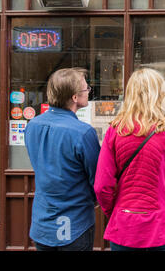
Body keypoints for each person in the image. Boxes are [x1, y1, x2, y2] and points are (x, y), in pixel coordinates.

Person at [94, 68, 165, 251]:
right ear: (161, 95)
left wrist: (115, 212)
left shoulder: (114, 133)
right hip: (164, 228)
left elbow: (101, 186)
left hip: (125, 228)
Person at [25, 68, 100, 251]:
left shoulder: (32, 125)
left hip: (42, 222)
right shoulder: (83, 132)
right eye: (86, 88)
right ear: (75, 97)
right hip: (75, 222)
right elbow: (97, 179)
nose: (89, 91)